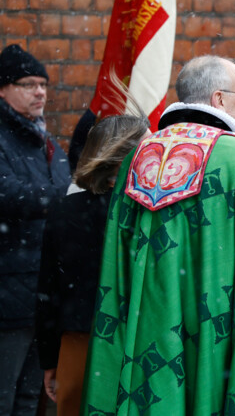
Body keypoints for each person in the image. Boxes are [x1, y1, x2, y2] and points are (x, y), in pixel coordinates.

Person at [80, 55, 235, 415]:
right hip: (214, 343)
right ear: (219, 99)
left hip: (147, 336)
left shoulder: (137, 157)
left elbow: (117, 272)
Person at [35, 115, 150, 416]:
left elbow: (48, 291)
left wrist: (49, 359)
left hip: (79, 341)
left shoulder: (65, 207)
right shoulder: (150, 213)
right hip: (138, 340)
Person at [0, 44, 71, 416]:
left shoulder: (46, 142)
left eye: (43, 84)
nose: (40, 91)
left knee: (30, 399)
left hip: (41, 295)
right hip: (8, 294)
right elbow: (9, 194)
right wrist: (66, 195)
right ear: (3, 89)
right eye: (28, 84)